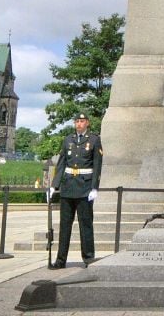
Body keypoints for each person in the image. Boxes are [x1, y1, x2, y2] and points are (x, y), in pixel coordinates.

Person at [50, 113, 103, 269]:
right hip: (68, 187)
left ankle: (88, 258)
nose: (79, 124)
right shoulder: (68, 140)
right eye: (77, 121)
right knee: (64, 225)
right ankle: (60, 260)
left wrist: (94, 187)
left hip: (85, 188)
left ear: (87, 123)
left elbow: (97, 165)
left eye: (82, 121)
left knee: (85, 224)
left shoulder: (94, 140)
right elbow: (61, 164)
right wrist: (54, 185)